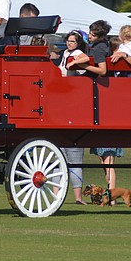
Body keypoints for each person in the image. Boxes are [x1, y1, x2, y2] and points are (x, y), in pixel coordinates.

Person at [57, 30, 88, 204]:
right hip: (64, 93)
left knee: (72, 156)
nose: (69, 43)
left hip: (70, 95)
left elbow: (85, 58)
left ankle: (76, 197)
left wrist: (73, 63)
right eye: (68, 41)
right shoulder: (65, 53)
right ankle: (65, 196)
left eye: (72, 41)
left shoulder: (75, 53)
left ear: (78, 43)